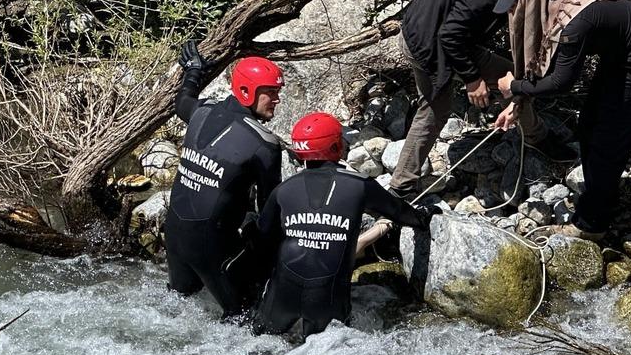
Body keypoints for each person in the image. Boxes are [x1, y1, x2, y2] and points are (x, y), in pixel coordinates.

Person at [252, 112, 440, 339]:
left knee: (263, 347)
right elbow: (398, 212)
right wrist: (423, 217)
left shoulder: (283, 190)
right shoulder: (359, 185)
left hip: (281, 294)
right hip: (327, 299)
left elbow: (263, 235)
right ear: (335, 146)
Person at [494, 0, 631, 241]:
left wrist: (513, 86)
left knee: (606, 140)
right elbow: (543, 64)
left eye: (515, 8)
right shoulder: (555, 10)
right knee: (588, 124)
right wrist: (517, 101)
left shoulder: (574, 23)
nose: (513, 14)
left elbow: (560, 83)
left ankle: (592, 224)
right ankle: (601, 196)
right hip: (619, 53)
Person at [165, 41, 285, 317]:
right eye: (270, 93)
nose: (277, 100)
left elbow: (182, 101)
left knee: (178, 309)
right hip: (210, 247)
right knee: (243, 318)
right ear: (246, 92)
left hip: (174, 234)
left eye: (278, 92)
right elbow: (270, 214)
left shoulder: (202, 111)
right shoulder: (265, 145)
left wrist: (194, 71)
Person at [387, 0, 550, 200]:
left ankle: (401, 185)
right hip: (434, 41)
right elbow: (450, 35)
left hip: (415, 32)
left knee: (433, 109)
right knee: (509, 78)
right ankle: (537, 137)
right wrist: (472, 78)